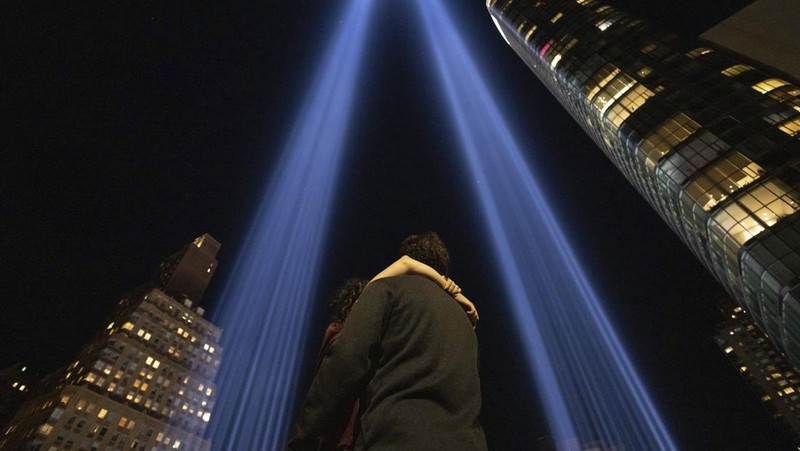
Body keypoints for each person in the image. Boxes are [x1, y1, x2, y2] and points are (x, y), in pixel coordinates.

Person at [289, 232, 487, 450]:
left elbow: (345, 363)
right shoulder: (466, 323)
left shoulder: (387, 290)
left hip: (396, 439)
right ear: (443, 272)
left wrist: (302, 438)